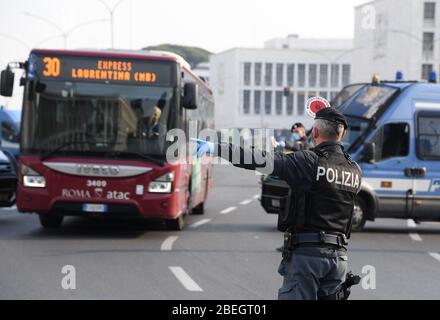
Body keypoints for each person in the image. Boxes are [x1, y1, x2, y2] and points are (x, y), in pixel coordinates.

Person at [194, 108, 362, 300]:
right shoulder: (354, 169)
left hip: (308, 256)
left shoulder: (308, 161)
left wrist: (217, 148)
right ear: (343, 134)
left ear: (314, 131)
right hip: (339, 259)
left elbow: (261, 160)